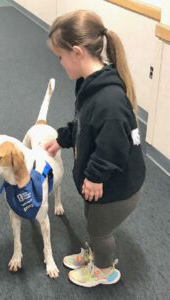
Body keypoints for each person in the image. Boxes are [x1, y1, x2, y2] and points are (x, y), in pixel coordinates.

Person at [45, 10, 146, 287]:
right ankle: (93, 253)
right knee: (93, 219)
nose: (61, 63)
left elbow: (113, 147)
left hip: (118, 187)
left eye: (60, 56)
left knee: (100, 230)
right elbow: (84, 125)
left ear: (77, 52)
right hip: (104, 181)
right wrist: (63, 138)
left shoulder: (109, 100)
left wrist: (96, 176)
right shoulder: (89, 85)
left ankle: (104, 269)